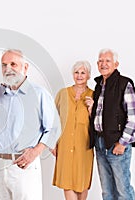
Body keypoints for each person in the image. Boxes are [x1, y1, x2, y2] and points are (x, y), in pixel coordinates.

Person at [0, 49, 61, 200]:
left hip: (25, 165)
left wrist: (35, 151)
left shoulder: (39, 94)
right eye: (4, 65)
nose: (7, 69)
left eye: (13, 64)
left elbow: (53, 128)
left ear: (25, 67)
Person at [89, 48, 135, 200]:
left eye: (107, 61)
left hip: (117, 144)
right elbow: (102, 115)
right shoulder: (98, 86)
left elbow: (134, 117)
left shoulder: (125, 83)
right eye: (101, 61)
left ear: (116, 64)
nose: (103, 64)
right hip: (100, 143)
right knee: (107, 191)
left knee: (123, 191)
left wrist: (122, 143)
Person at [52, 61, 94, 200]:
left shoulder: (94, 95)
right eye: (77, 72)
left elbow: (99, 125)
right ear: (73, 75)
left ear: (88, 75)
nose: (79, 75)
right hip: (64, 146)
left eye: (83, 72)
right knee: (67, 183)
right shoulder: (62, 94)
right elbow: (52, 120)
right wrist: (52, 142)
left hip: (84, 148)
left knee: (82, 184)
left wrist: (91, 110)